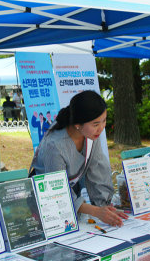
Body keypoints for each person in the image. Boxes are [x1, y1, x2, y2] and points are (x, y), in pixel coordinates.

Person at [30, 90, 128, 227]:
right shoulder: (55, 145)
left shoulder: (91, 134)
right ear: (77, 123)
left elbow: (98, 168)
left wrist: (105, 207)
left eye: (104, 120)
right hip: (46, 201)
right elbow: (58, 192)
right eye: (96, 124)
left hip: (70, 197)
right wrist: (97, 212)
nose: (101, 128)